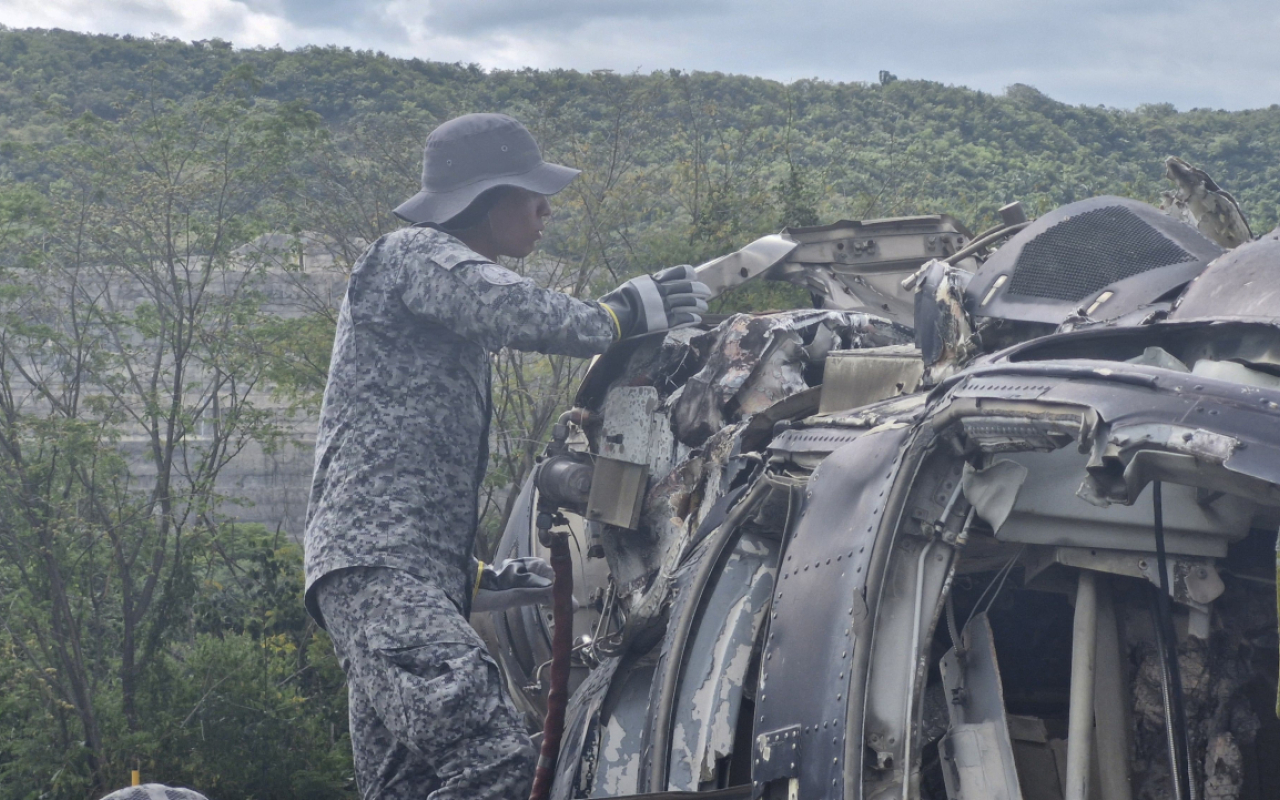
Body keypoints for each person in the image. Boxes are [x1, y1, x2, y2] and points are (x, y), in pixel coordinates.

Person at [303, 113, 710, 800]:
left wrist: (483, 576)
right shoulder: (410, 256)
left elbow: (400, 481)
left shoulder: (432, 296)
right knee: (493, 766)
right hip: (381, 575)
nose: (546, 211)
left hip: (389, 575)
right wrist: (617, 317)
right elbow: (516, 311)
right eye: (531, 195)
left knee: (405, 785)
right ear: (486, 202)